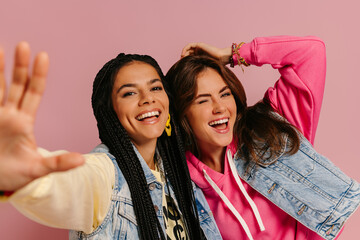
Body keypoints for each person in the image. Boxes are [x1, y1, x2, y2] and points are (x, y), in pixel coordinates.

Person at [0, 42, 222, 239]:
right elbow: (72, 185)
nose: (148, 99)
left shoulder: (182, 176)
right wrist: (24, 178)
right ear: (110, 112)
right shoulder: (105, 174)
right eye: (129, 93)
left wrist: (235, 55)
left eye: (155, 88)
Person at [165, 36, 360, 240]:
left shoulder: (269, 129)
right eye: (203, 100)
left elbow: (311, 52)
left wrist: (231, 55)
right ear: (181, 113)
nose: (220, 107)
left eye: (225, 94)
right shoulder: (179, 184)